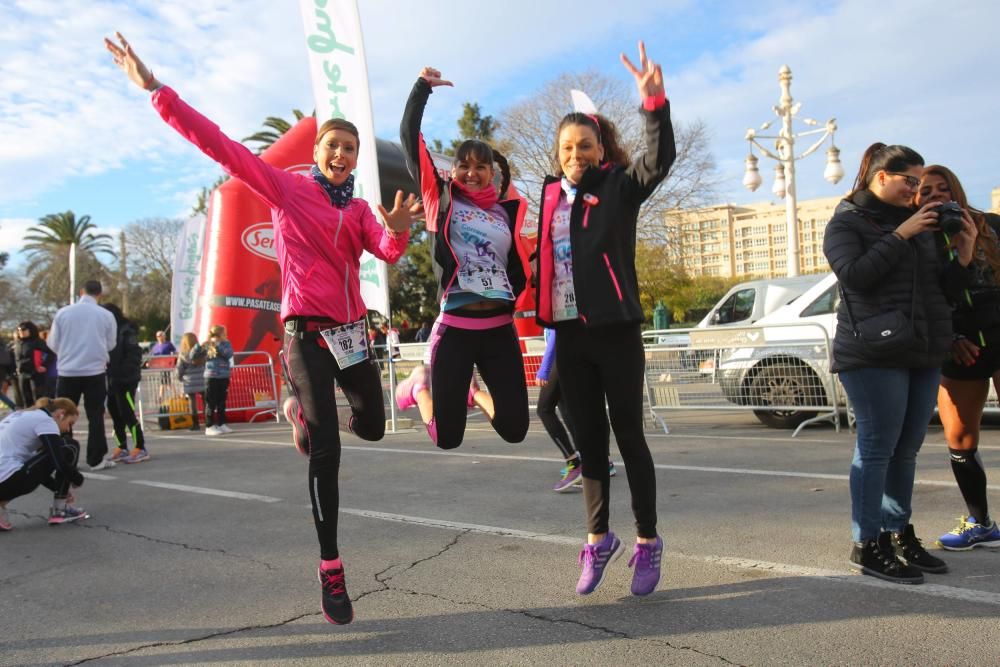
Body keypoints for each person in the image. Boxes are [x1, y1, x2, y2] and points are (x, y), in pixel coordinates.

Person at [105, 31, 419, 625]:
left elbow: (386, 250)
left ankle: (301, 411)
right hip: (305, 335)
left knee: (374, 429)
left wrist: (397, 228)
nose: (342, 153)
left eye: (350, 147)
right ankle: (331, 566)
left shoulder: (355, 211)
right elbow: (222, 147)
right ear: (317, 151)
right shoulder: (288, 189)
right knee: (326, 450)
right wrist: (156, 91)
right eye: (333, 144)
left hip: (352, 335)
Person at [533, 42, 675, 597]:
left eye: (585, 145)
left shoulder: (619, 188)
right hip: (568, 334)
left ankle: (647, 540)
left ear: (599, 148)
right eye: (567, 147)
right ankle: (597, 540)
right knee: (590, 445)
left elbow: (658, 160)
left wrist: (653, 104)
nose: (576, 154)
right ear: (558, 152)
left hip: (615, 331)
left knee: (629, 439)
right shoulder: (546, 198)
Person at [824, 144, 976, 584]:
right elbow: (855, 276)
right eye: (910, 180)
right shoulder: (846, 222)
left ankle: (897, 532)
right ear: (880, 176)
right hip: (873, 352)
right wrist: (902, 234)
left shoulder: (920, 224)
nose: (917, 189)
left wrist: (962, 253)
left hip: (922, 349)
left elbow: (944, 290)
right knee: (876, 448)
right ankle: (866, 543)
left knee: (906, 450)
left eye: (920, 181)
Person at [395, 65, 530, 450]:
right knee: (448, 438)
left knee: (515, 427)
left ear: (492, 173)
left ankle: (471, 395)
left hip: (499, 329)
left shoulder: (508, 210)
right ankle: (420, 390)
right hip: (456, 327)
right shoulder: (442, 199)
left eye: (480, 167)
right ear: (452, 169)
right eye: (464, 166)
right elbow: (409, 140)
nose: (472, 173)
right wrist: (422, 89)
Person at [917, 165, 1000, 551]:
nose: (934, 196)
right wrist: (951, 337)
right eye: (925, 190)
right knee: (960, 436)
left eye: (941, 188)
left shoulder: (992, 225)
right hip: (961, 345)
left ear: (957, 191)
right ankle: (980, 522)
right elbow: (927, 298)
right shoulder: (918, 240)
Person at [47, 280, 118, 471]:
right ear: (100, 294)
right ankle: (96, 459)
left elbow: (52, 342)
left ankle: (63, 457)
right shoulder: (106, 315)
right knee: (96, 415)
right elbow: (111, 344)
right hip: (94, 371)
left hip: (68, 371)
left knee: (62, 415)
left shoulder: (63, 313)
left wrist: (67, 353)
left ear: (81, 292)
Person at [0, 397, 88, 531]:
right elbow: (57, 461)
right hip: (7, 478)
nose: (67, 429)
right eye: (70, 423)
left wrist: (56, 487)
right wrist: (77, 478)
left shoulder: (19, 415)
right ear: (61, 414)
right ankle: (60, 509)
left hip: (5, 477)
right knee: (70, 446)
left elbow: (33, 465)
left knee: (24, 465)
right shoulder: (46, 421)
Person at [103, 304, 148, 464]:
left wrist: (122, 372)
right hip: (111, 379)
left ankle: (140, 447)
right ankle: (121, 446)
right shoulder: (106, 332)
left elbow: (134, 355)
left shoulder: (126, 331)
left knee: (127, 412)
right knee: (115, 413)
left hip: (126, 380)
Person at [203, 324, 234, 436]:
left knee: (222, 401)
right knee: (211, 402)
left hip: (223, 376)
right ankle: (209, 425)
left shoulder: (226, 344)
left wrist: (218, 346)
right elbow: (198, 356)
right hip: (211, 376)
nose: (225, 335)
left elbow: (229, 354)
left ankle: (221, 424)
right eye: (223, 333)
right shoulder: (207, 344)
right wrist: (203, 345)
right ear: (219, 334)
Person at [176, 332, 208, 432]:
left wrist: (179, 378)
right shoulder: (202, 352)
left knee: (192, 403)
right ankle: (209, 421)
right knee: (205, 401)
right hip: (202, 378)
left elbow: (179, 369)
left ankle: (195, 424)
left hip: (189, 381)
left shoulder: (183, 354)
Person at [13, 321, 48, 408]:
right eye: (19, 330)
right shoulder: (18, 343)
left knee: (38, 399)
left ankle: (40, 417)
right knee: (26, 399)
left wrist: (44, 365)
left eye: (24, 329)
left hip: (36, 374)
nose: (21, 331)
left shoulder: (38, 342)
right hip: (22, 374)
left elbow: (49, 354)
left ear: (31, 330)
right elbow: (16, 358)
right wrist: (17, 368)